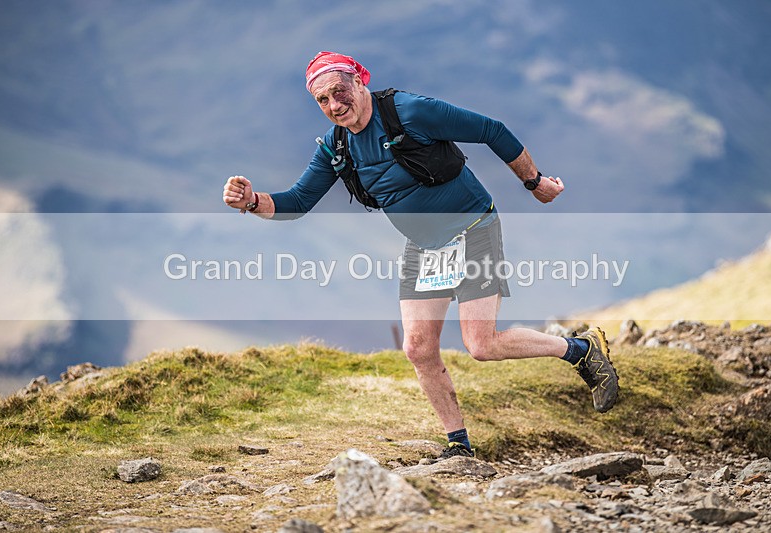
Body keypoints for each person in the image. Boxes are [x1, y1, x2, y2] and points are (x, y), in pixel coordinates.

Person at [223, 51, 619, 462]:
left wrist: (534, 182)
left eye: (339, 91)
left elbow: (491, 129)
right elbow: (299, 200)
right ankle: (458, 445)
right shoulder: (335, 148)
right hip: (426, 248)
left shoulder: (409, 111)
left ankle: (579, 349)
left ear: (360, 80)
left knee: (481, 345)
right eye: (322, 100)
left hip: (473, 229)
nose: (334, 105)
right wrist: (251, 200)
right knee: (417, 347)